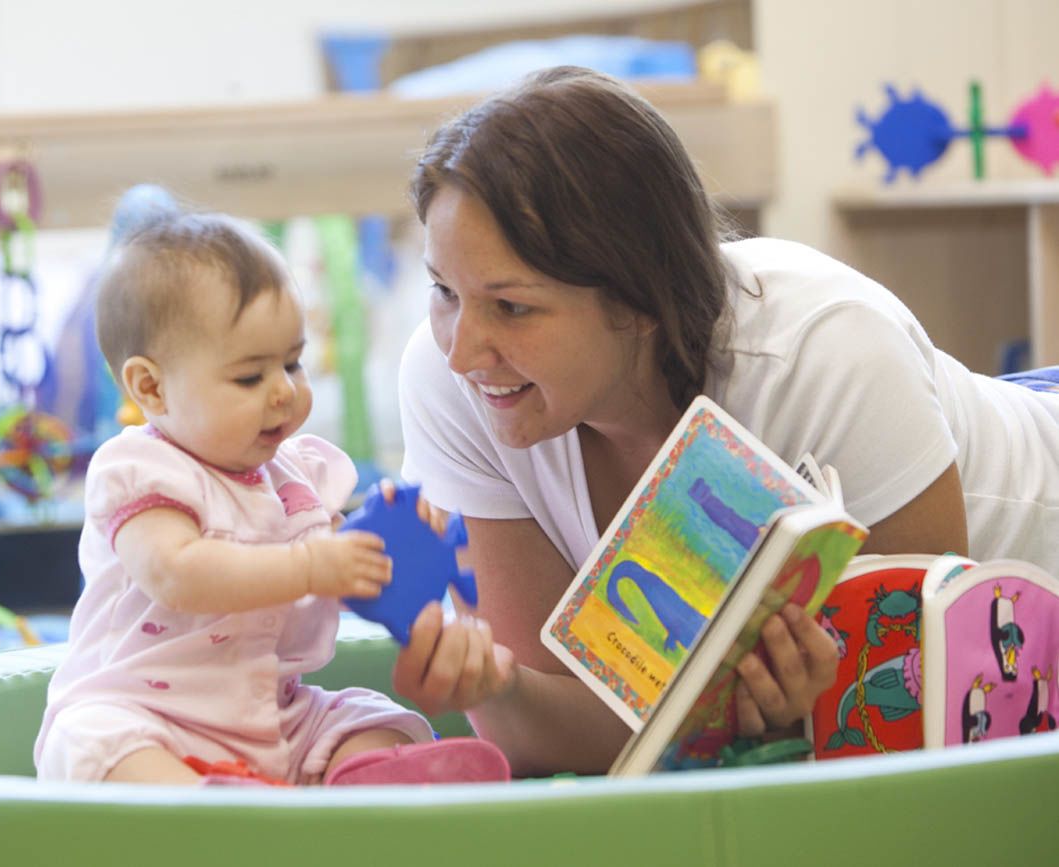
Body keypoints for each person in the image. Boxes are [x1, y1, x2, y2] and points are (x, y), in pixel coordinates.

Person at [390, 66, 1059, 778]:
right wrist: (493, 685)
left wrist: (778, 721)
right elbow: (567, 733)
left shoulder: (825, 352)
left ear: (639, 299)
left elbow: (918, 723)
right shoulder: (448, 380)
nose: (461, 349)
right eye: (441, 291)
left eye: (512, 307)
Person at [34, 211, 508, 786]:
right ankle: (214, 815)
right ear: (152, 388)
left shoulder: (298, 476)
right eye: (249, 378)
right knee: (90, 744)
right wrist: (311, 565)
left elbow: (334, 584)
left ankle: (361, 783)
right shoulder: (140, 470)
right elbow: (176, 573)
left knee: (371, 716)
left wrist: (385, 548)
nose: (284, 390)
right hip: (150, 717)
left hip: (274, 716)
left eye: (291, 362)